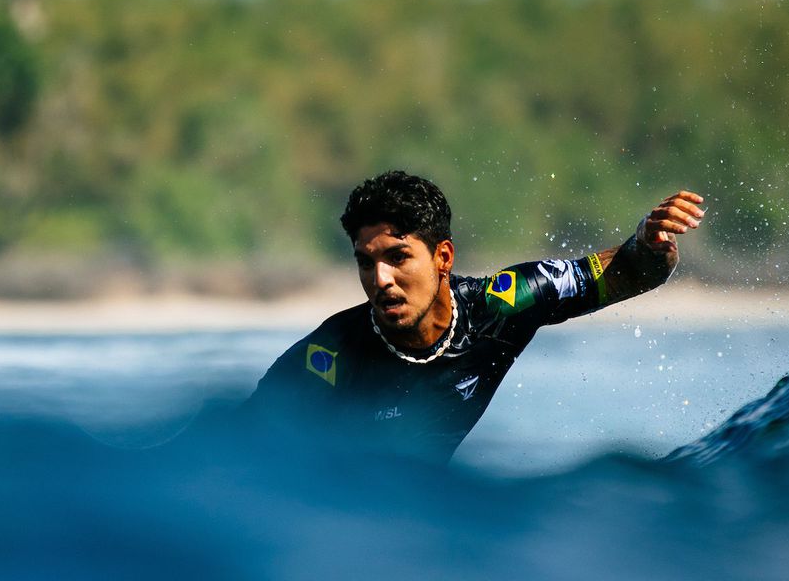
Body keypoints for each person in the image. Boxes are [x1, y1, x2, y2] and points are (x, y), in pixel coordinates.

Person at [238, 170, 705, 464]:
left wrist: (649, 239)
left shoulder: (503, 303)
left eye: (398, 257)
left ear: (443, 257)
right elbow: (233, 449)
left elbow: (633, 272)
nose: (380, 279)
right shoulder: (329, 354)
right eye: (365, 261)